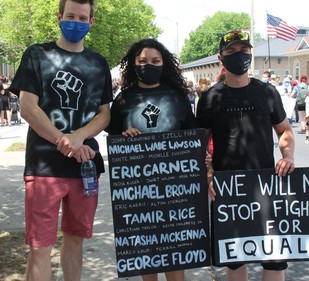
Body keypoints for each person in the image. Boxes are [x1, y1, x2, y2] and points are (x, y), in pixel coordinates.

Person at [10, 0, 112, 280]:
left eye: (82, 18)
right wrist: (64, 141)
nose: (76, 22)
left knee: (76, 239)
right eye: (70, 16)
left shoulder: (98, 62)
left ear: (91, 22)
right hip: (44, 168)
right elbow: (29, 108)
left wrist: (79, 137)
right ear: (59, 17)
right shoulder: (37, 55)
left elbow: (105, 114)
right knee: (39, 246)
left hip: (85, 167)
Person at [196, 30, 295, 281]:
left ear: (251, 54)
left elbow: (284, 131)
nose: (238, 56)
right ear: (221, 58)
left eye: (243, 51)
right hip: (228, 188)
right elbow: (199, 145)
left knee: (273, 260)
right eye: (231, 52)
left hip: (267, 186)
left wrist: (288, 155)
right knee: (235, 259)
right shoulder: (209, 98)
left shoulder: (267, 92)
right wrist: (208, 176)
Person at [105, 38, 198, 281]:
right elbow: (114, 137)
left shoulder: (177, 97)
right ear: (133, 64)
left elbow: (191, 135)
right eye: (143, 61)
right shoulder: (123, 99)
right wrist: (124, 136)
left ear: (164, 64)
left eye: (155, 61)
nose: (149, 65)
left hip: (175, 186)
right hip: (139, 189)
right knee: (147, 247)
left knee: (175, 247)